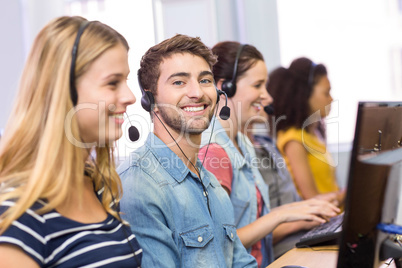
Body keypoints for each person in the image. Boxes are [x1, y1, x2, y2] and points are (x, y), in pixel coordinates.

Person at [0, 16, 142, 267]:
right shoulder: (17, 214)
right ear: (65, 91)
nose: (130, 97)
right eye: (112, 83)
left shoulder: (98, 185)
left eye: (126, 81)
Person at [118, 34, 257, 267]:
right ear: (149, 99)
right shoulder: (140, 185)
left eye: (204, 80)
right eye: (179, 82)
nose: (197, 93)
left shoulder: (210, 183)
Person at [199, 41, 340, 267]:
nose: (268, 96)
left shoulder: (243, 144)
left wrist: (294, 210)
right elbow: (219, 242)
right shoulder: (213, 152)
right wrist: (281, 215)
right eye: (258, 85)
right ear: (225, 88)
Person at [267, 57, 345, 203]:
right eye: (326, 93)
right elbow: (312, 199)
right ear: (305, 96)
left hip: (335, 218)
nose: (331, 99)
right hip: (321, 221)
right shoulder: (293, 141)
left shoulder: (314, 134)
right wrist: (344, 195)